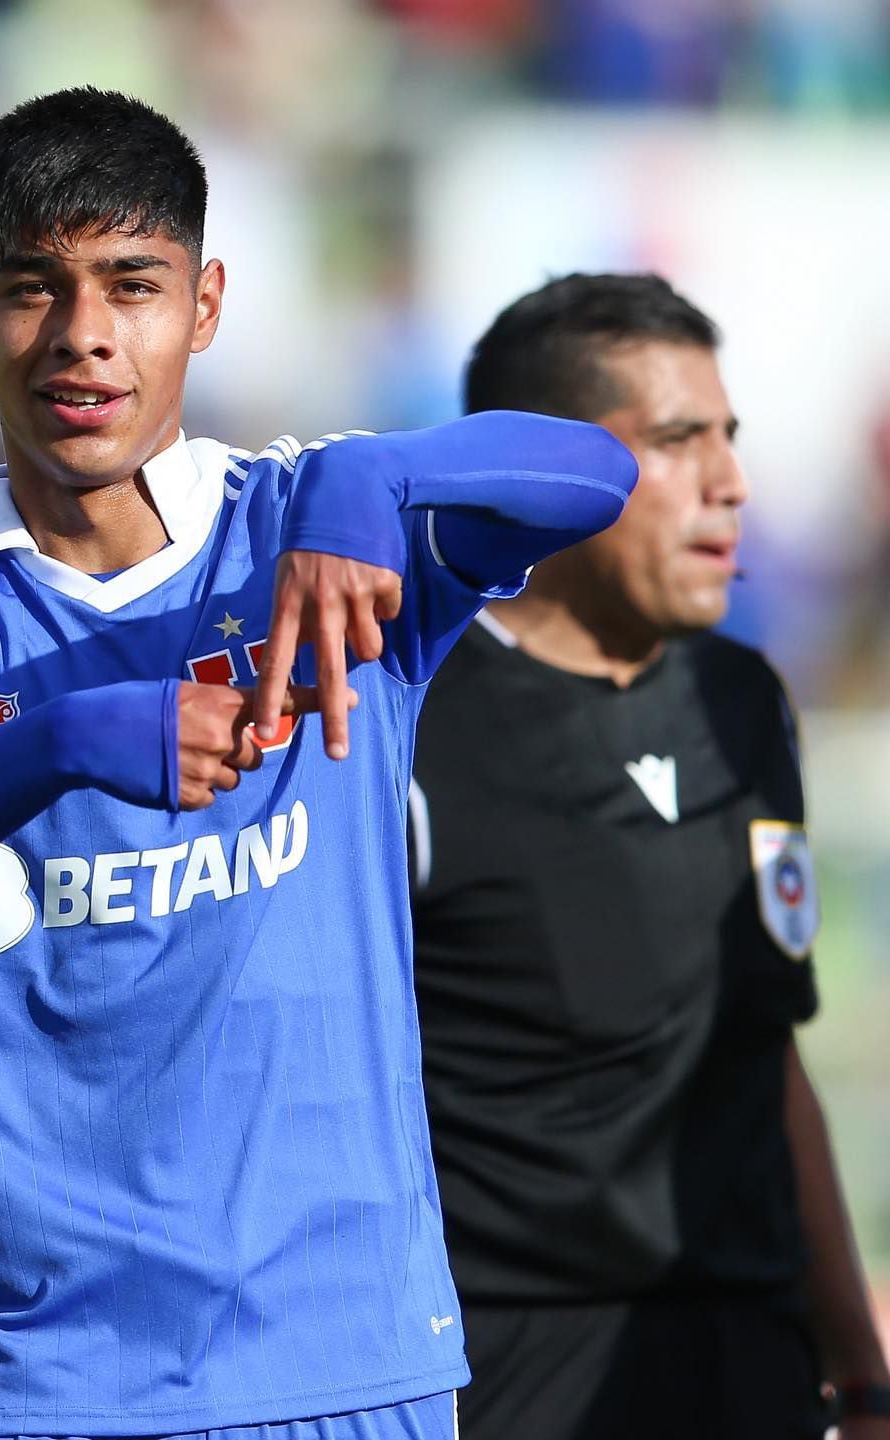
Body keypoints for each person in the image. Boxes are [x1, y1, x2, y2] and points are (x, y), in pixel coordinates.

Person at [0, 90, 636, 1439]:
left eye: (133, 285)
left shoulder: (314, 540)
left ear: (206, 304)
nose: (85, 335)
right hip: (49, 1383)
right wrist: (67, 739)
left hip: (351, 1361)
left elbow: (592, 470)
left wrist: (373, 478)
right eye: (33, 288)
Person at [409, 272, 890, 1439]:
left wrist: (863, 1374)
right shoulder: (399, 718)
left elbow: (763, 1047)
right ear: (545, 481)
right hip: (511, 1371)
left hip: (753, 1358)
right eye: (678, 443)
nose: (732, 485)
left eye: (729, 438)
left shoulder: (741, 698)